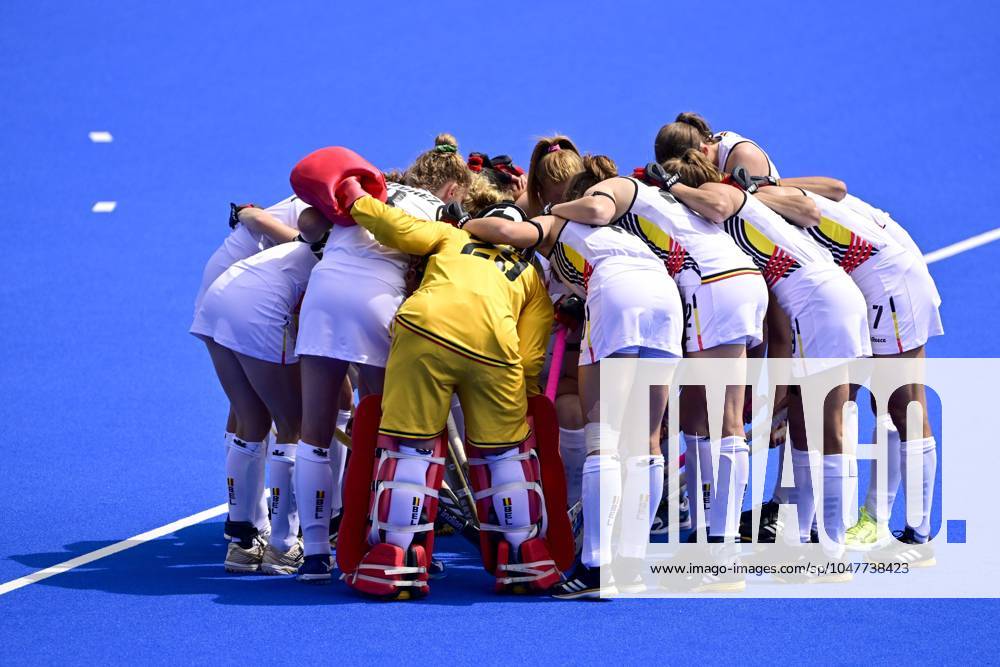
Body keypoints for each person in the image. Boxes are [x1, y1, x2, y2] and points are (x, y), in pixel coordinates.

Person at [326, 163, 568, 600]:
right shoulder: (533, 276)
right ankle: (523, 552)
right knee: (505, 454)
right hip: (496, 351)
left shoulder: (453, 235)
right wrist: (525, 396)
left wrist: (357, 200)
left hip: (425, 332)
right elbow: (533, 351)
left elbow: (398, 229)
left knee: (410, 447)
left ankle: (395, 555)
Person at [463, 155, 684, 599]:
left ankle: (596, 569)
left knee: (602, 436)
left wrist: (465, 225)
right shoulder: (627, 231)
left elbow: (508, 232)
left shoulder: (556, 223)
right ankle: (632, 566)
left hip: (616, 294)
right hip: (666, 300)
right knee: (647, 440)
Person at [663, 151, 871, 580]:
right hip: (827, 300)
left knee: (824, 426)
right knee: (811, 423)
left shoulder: (726, 209)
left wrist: (772, 400)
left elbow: (777, 330)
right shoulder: (737, 220)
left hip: (816, 307)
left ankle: (830, 552)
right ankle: (815, 545)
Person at [291, 135, 472, 582]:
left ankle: (314, 553)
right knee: (391, 429)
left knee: (313, 432)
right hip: (378, 300)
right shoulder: (441, 214)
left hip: (324, 292)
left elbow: (311, 221)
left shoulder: (377, 190)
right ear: (452, 190)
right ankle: (385, 541)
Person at [190, 205, 329, 574]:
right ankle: (283, 545)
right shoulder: (357, 258)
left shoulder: (320, 239)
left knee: (249, 416)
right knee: (294, 423)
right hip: (258, 306)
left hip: (218, 296)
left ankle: (242, 543)